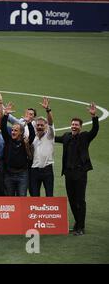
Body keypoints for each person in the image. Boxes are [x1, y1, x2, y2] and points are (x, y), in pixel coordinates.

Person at [55, 102, 99, 236]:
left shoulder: (85, 136)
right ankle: (77, 223)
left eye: (76, 125)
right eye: (72, 124)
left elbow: (94, 130)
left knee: (80, 200)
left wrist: (94, 117)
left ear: (80, 127)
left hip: (80, 173)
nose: (74, 126)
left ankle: (81, 227)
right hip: (68, 174)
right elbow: (54, 138)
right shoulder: (67, 136)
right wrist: (44, 130)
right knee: (72, 200)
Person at [0, 102, 35, 196]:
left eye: (15, 130)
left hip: (22, 175)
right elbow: (3, 127)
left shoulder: (25, 142)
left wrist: (29, 123)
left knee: (22, 199)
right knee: (10, 200)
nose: (13, 132)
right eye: (12, 130)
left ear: (21, 132)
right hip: (9, 174)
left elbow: (32, 135)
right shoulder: (8, 140)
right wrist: (6, 115)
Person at [30, 97, 55, 197]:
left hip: (47, 170)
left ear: (46, 126)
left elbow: (50, 122)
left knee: (49, 196)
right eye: (38, 125)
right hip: (34, 170)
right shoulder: (34, 138)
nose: (39, 126)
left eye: (41, 125)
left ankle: (49, 213)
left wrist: (48, 110)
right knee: (35, 196)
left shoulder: (50, 135)